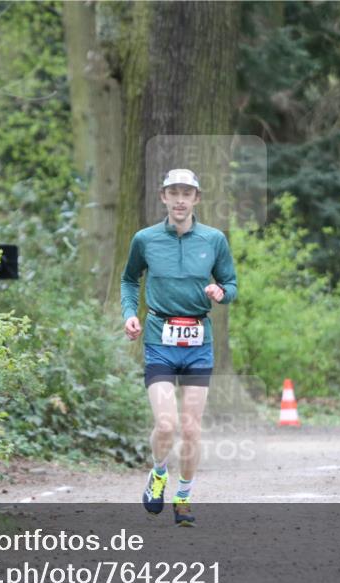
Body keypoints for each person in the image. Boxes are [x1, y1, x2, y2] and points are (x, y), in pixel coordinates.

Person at [121, 168, 238, 527]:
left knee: (190, 428)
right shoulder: (145, 239)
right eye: (174, 192)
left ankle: (183, 496)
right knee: (167, 424)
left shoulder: (214, 239)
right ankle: (158, 474)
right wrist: (130, 313)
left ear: (197, 199)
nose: (181, 199)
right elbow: (129, 280)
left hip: (198, 342)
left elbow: (231, 283)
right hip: (159, 339)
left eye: (187, 193)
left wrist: (221, 293)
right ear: (164, 197)